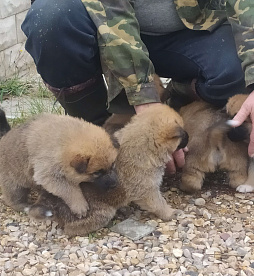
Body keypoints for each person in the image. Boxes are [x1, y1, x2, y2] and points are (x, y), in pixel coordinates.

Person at [22, 0, 254, 174]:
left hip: (192, 31)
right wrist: (144, 99)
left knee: (236, 77)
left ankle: (180, 97)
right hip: (103, 26)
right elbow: (112, 14)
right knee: (51, 20)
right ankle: (96, 137)